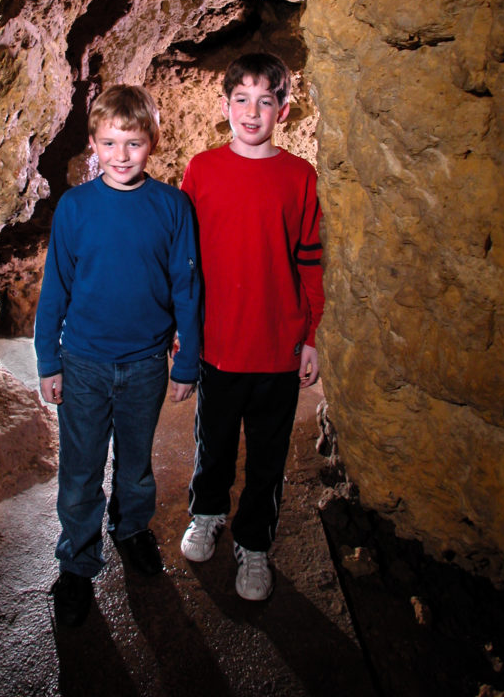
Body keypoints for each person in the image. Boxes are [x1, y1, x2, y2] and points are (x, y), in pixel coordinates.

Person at [35, 84, 201, 628]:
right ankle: (77, 565)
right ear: (93, 145)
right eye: (109, 143)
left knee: (135, 464)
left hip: (147, 363)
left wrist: (187, 360)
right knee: (81, 472)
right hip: (82, 362)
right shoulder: (76, 207)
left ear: (152, 141)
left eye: (133, 143)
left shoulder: (172, 207)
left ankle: (131, 529)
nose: (121, 155)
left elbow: (186, 288)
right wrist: (47, 360)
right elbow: (55, 287)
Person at [179, 52, 324, 601]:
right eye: (241, 99)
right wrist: (183, 334)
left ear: (283, 111)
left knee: (268, 454)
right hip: (218, 343)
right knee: (211, 444)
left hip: (277, 347)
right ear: (225, 106)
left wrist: (312, 335)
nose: (252, 111)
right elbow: (184, 261)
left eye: (266, 100)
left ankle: (255, 542)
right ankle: (208, 513)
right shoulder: (202, 169)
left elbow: (310, 259)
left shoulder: (299, 176)